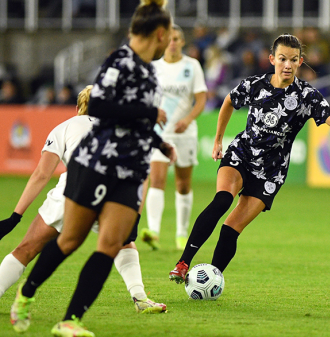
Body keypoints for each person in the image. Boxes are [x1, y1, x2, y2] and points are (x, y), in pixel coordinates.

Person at [9, 1, 175, 336]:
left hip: (128, 170)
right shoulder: (120, 60)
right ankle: (26, 294)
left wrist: (159, 144)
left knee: (112, 244)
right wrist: (145, 115)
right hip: (95, 162)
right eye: (169, 35)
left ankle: (70, 320)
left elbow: (134, 122)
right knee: (69, 240)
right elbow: (98, 104)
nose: (170, 41)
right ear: (159, 34)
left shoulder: (148, 71)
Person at [167, 33, 330, 284]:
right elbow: (228, 101)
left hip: (271, 173)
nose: (288, 65)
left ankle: (210, 280)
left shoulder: (307, 96)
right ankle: (183, 262)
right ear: (272, 59)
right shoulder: (254, 85)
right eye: (282, 59)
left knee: (230, 230)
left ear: (300, 61)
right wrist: (218, 139)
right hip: (242, 154)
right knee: (222, 199)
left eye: (293, 59)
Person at [0, 85, 166, 312]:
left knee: (27, 249)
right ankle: (140, 299)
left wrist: (15, 216)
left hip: (74, 188)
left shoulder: (66, 126)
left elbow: (41, 174)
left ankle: (26, 294)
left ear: (79, 107)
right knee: (123, 242)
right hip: (111, 190)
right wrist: (134, 217)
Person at [140, 24, 208, 251]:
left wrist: (187, 120)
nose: (172, 42)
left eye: (176, 38)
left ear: (182, 41)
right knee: (157, 179)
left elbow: (201, 99)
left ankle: (181, 234)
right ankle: (154, 232)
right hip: (160, 132)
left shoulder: (192, 66)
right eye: (169, 38)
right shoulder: (154, 67)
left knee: (183, 184)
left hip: (184, 132)